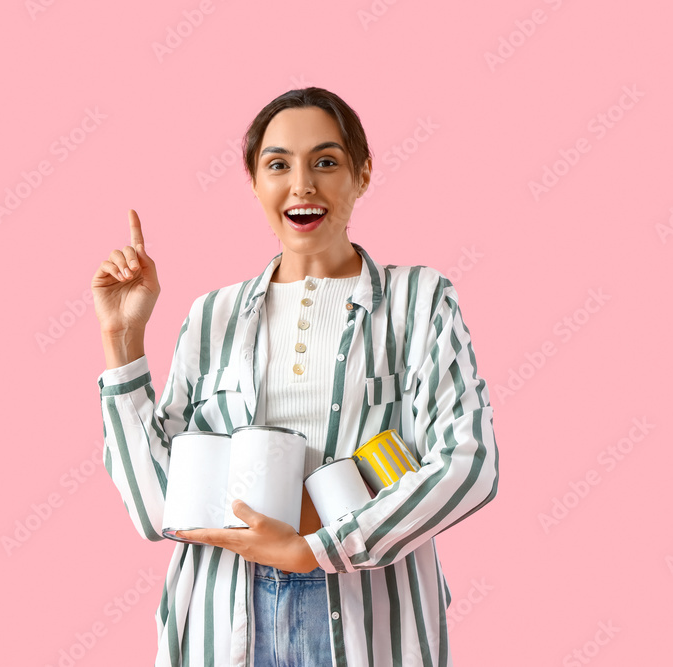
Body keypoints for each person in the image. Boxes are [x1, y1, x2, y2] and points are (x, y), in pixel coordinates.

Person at [92, 87, 499, 667]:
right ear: (255, 182)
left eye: (326, 163)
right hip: (224, 615)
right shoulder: (213, 315)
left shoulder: (418, 300)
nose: (302, 184)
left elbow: (468, 463)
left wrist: (316, 549)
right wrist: (121, 342)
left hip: (365, 614)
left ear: (362, 174)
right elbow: (160, 508)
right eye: (278, 164)